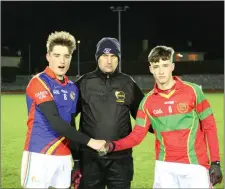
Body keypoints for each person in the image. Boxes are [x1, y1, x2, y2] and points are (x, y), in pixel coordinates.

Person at [103, 45, 223, 188]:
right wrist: (113, 145)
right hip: (165, 168)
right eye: (156, 66)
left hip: (194, 167)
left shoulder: (193, 91)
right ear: (150, 69)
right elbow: (137, 135)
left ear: (172, 66)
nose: (161, 71)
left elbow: (210, 126)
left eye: (165, 65)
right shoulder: (147, 103)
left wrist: (215, 162)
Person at [21, 31, 106, 189]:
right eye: (57, 55)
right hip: (39, 154)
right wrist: (91, 142)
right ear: (48, 57)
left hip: (64, 157)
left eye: (66, 56)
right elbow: (55, 122)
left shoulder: (72, 88)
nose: (62, 61)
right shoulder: (39, 82)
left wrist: (78, 162)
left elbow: (71, 124)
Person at [71, 37, 147, 189]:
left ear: (118, 59)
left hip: (121, 159)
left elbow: (146, 116)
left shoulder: (128, 83)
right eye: (105, 56)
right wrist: (77, 157)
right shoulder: (84, 83)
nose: (109, 61)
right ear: (97, 58)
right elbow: (69, 119)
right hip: (90, 159)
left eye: (113, 56)